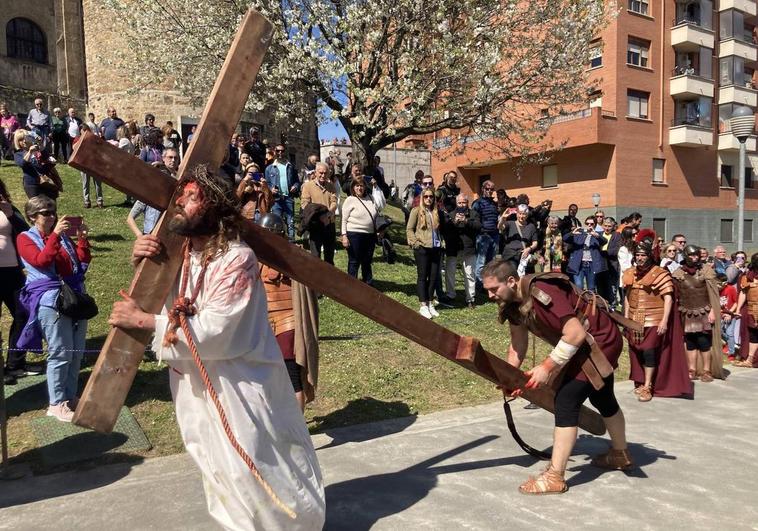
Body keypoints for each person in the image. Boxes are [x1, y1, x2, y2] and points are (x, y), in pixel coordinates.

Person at [109, 167, 325, 529]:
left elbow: (218, 330)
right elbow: (164, 296)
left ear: (213, 207)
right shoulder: (183, 254)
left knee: (255, 465)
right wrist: (143, 261)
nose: (179, 202)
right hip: (196, 383)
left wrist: (143, 322)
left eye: (191, 197)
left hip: (241, 385)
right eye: (182, 195)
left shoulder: (237, 259)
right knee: (216, 468)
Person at [482, 259, 632, 495]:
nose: (490, 296)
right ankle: (619, 454)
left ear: (511, 281)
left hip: (599, 341)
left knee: (566, 401)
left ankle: (555, 477)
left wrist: (547, 366)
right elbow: (518, 345)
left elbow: (575, 333)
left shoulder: (542, 291)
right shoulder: (512, 302)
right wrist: (510, 378)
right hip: (583, 344)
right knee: (602, 398)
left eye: (494, 289)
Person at [16, 195, 91, 422]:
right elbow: (40, 260)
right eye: (45, 212)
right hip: (50, 301)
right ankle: (56, 403)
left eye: (53, 210)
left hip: (73, 298)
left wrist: (82, 240)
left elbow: (76, 265)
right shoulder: (24, 238)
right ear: (32, 216)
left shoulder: (58, 238)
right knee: (60, 353)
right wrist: (56, 235)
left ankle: (70, 396)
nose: (51, 215)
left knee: (76, 352)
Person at [256, 213, 320, 411]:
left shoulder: (294, 256)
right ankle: (284, 423)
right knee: (271, 377)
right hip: (266, 324)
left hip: (289, 323)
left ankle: (298, 428)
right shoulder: (256, 257)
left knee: (292, 378)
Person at [622, 242, 691, 401]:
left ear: (649, 256)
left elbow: (668, 299)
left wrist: (664, 321)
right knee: (636, 350)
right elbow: (627, 296)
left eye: (643, 255)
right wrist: (625, 318)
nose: (639, 258)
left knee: (649, 350)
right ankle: (640, 382)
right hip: (634, 318)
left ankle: (648, 386)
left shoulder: (660, 273)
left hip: (654, 318)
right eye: (637, 255)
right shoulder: (630, 272)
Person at [0, 179, 40, 384]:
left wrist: (10, 215)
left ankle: (16, 363)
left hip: (12, 272)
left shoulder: (7, 207)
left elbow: (26, 233)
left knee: (23, 312)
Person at [671, 245, 723, 381]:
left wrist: (713, 311)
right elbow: (675, 294)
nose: (695, 258)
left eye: (696, 255)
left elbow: (713, 295)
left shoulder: (706, 270)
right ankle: (692, 369)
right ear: (686, 256)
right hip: (686, 312)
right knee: (690, 342)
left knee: (704, 341)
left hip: (704, 311)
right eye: (692, 255)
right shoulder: (678, 273)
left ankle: (707, 370)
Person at [407, 186, 445, 318]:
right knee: (423, 277)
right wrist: (415, 243)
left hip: (435, 248)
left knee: (433, 277)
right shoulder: (416, 211)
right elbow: (409, 229)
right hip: (422, 248)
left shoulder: (436, 212)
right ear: (422, 198)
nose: (429, 199)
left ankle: (430, 303)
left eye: (431, 197)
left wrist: (442, 244)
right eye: (426, 196)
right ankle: (423, 305)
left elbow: (439, 231)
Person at [127, 148, 179, 236]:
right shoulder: (151, 191)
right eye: (170, 157)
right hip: (150, 234)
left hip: (170, 236)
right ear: (163, 158)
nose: (173, 160)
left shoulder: (179, 183)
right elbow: (130, 218)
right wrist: (140, 236)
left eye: (176, 158)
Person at [444, 194, 480, 308]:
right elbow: (445, 230)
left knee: (469, 274)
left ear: (467, 202)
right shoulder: (451, 214)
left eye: (464, 202)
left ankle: (470, 298)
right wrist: (454, 222)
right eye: (459, 203)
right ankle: (450, 295)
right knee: (450, 272)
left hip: (469, 248)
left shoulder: (473, 213)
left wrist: (466, 221)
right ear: (456, 203)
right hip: (453, 248)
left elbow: (479, 227)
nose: (461, 205)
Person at [341, 177, 377, 285]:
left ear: (365, 187)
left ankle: (368, 283)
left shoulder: (371, 198)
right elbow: (344, 219)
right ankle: (351, 285)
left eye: (361, 185)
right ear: (353, 188)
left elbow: (377, 213)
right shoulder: (350, 200)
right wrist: (344, 235)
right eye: (357, 186)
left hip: (370, 234)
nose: (359, 188)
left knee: (367, 261)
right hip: (354, 234)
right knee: (354, 261)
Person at [300, 162, 337, 264]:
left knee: (329, 256)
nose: (323, 175)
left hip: (329, 223)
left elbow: (334, 202)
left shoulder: (331, 186)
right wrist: (317, 213)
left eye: (325, 173)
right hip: (316, 224)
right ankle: (316, 277)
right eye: (320, 173)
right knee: (315, 256)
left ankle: (329, 277)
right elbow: (304, 204)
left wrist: (328, 213)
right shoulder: (307, 186)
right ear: (315, 173)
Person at [13, 129, 62, 199]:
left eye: (25, 138)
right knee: (37, 206)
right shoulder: (18, 153)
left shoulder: (37, 150)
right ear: (17, 142)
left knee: (50, 204)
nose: (24, 141)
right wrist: (30, 152)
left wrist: (40, 144)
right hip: (32, 184)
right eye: (20, 140)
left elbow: (47, 160)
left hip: (46, 181)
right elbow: (22, 164)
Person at [264, 144, 300, 240]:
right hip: (276, 199)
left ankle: (292, 242)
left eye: (282, 151)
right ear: (274, 152)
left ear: (285, 152)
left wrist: (295, 187)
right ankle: (278, 242)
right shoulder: (269, 168)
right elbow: (266, 183)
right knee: (277, 222)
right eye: (278, 150)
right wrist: (271, 189)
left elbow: (297, 181)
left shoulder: (290, 167)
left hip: (288, 197)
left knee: (290, 222)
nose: (280, 153)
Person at [563, 216, 606, 292]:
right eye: (587, 223)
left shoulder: (597, 234)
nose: (589, 225)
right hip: (579, 264)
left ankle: (590, 303)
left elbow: (604, 241)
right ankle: (580, 303)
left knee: (591, 287)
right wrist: (572, 233)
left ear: (595, 224)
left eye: (591, 224)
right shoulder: (579, 233)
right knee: (579, 286)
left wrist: (596, 235)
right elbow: (565, 238)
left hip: (591, 264)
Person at [472, 180, 500, 290]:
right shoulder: (477, 203)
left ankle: (488, 285)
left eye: (492, 189)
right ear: (483, 189)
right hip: (483, 236)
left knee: (491, 263)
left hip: (494, 235)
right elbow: (474, 220)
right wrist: (481, 230)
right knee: (481, 262)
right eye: (487, 189)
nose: (489, 191)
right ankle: (479, 286)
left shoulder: (494, 204)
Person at [499, 203, 538, 275]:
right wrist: (503, 218)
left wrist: (529, 249)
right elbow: (500, 227)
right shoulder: (510, 223)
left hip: (523, 256)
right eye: (519, 213)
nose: (521, 216)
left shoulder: (531, 226)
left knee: (526, 278)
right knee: (511, 276)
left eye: (524, 214)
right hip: (510, 255)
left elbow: (535, 242)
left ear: (527, 214)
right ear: (516, 213)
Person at [734, 253, 758, 368]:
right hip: (753, 309)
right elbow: (743, 293)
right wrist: (738, 309)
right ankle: (749, 360)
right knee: (754, 335)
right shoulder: (747, 275)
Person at [79, 124, 104, 208]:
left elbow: (100, 149)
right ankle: (87, 201)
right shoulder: (78, 139)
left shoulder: (94, 138)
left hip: (95, 164)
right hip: (84, 165)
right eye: (82, 131)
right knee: (85, 184)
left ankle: (100, 201)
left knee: (97, 184)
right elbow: (75, 148)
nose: (84, 133)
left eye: (86, 131)